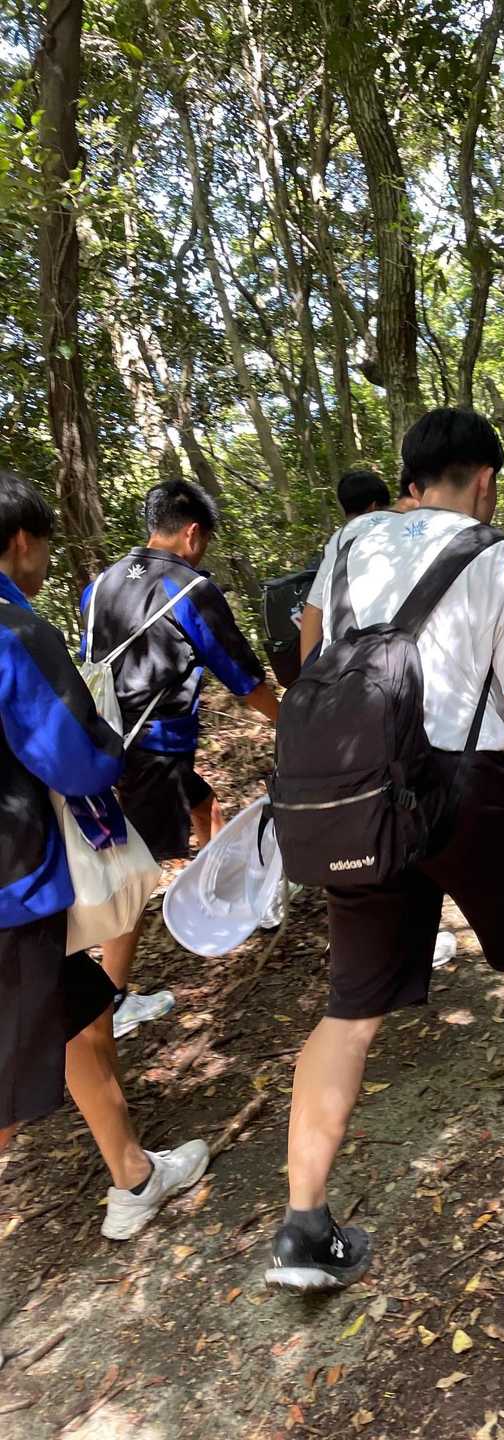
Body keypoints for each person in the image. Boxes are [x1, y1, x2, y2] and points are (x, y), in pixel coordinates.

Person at [267, 408, 504, 1292]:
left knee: (351, 1005)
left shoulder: (349, 543)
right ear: (485, 479)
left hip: (359, 794)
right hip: (465, 787)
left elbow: (311, 661)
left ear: (411, 475)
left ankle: (303, 1226)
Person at [0, 471, 208, 1238]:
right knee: (10, 1088)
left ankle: (134, 1178)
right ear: (22, 540)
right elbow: (76, 758)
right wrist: (108, 743)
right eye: (44, 547)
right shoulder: (14, 632)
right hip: (12, 887)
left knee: (84, 1010)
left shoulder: (87, 597)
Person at [82, 479, 279, 1038]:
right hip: (156, 750)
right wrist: (290, 721)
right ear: (193, 533)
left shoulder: (99, 586)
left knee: (204, 803)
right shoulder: (189, 589)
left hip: (104, 741)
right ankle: (112, 1000)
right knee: (136, 874)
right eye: (205, 541)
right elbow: (241, 676)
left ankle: (232, 897)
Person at [299, 467, 392, 668]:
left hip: (351, 660)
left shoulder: (339, 540)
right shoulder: (404, 526)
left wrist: (307, 674)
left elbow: (314, 610)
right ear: (374, 506)